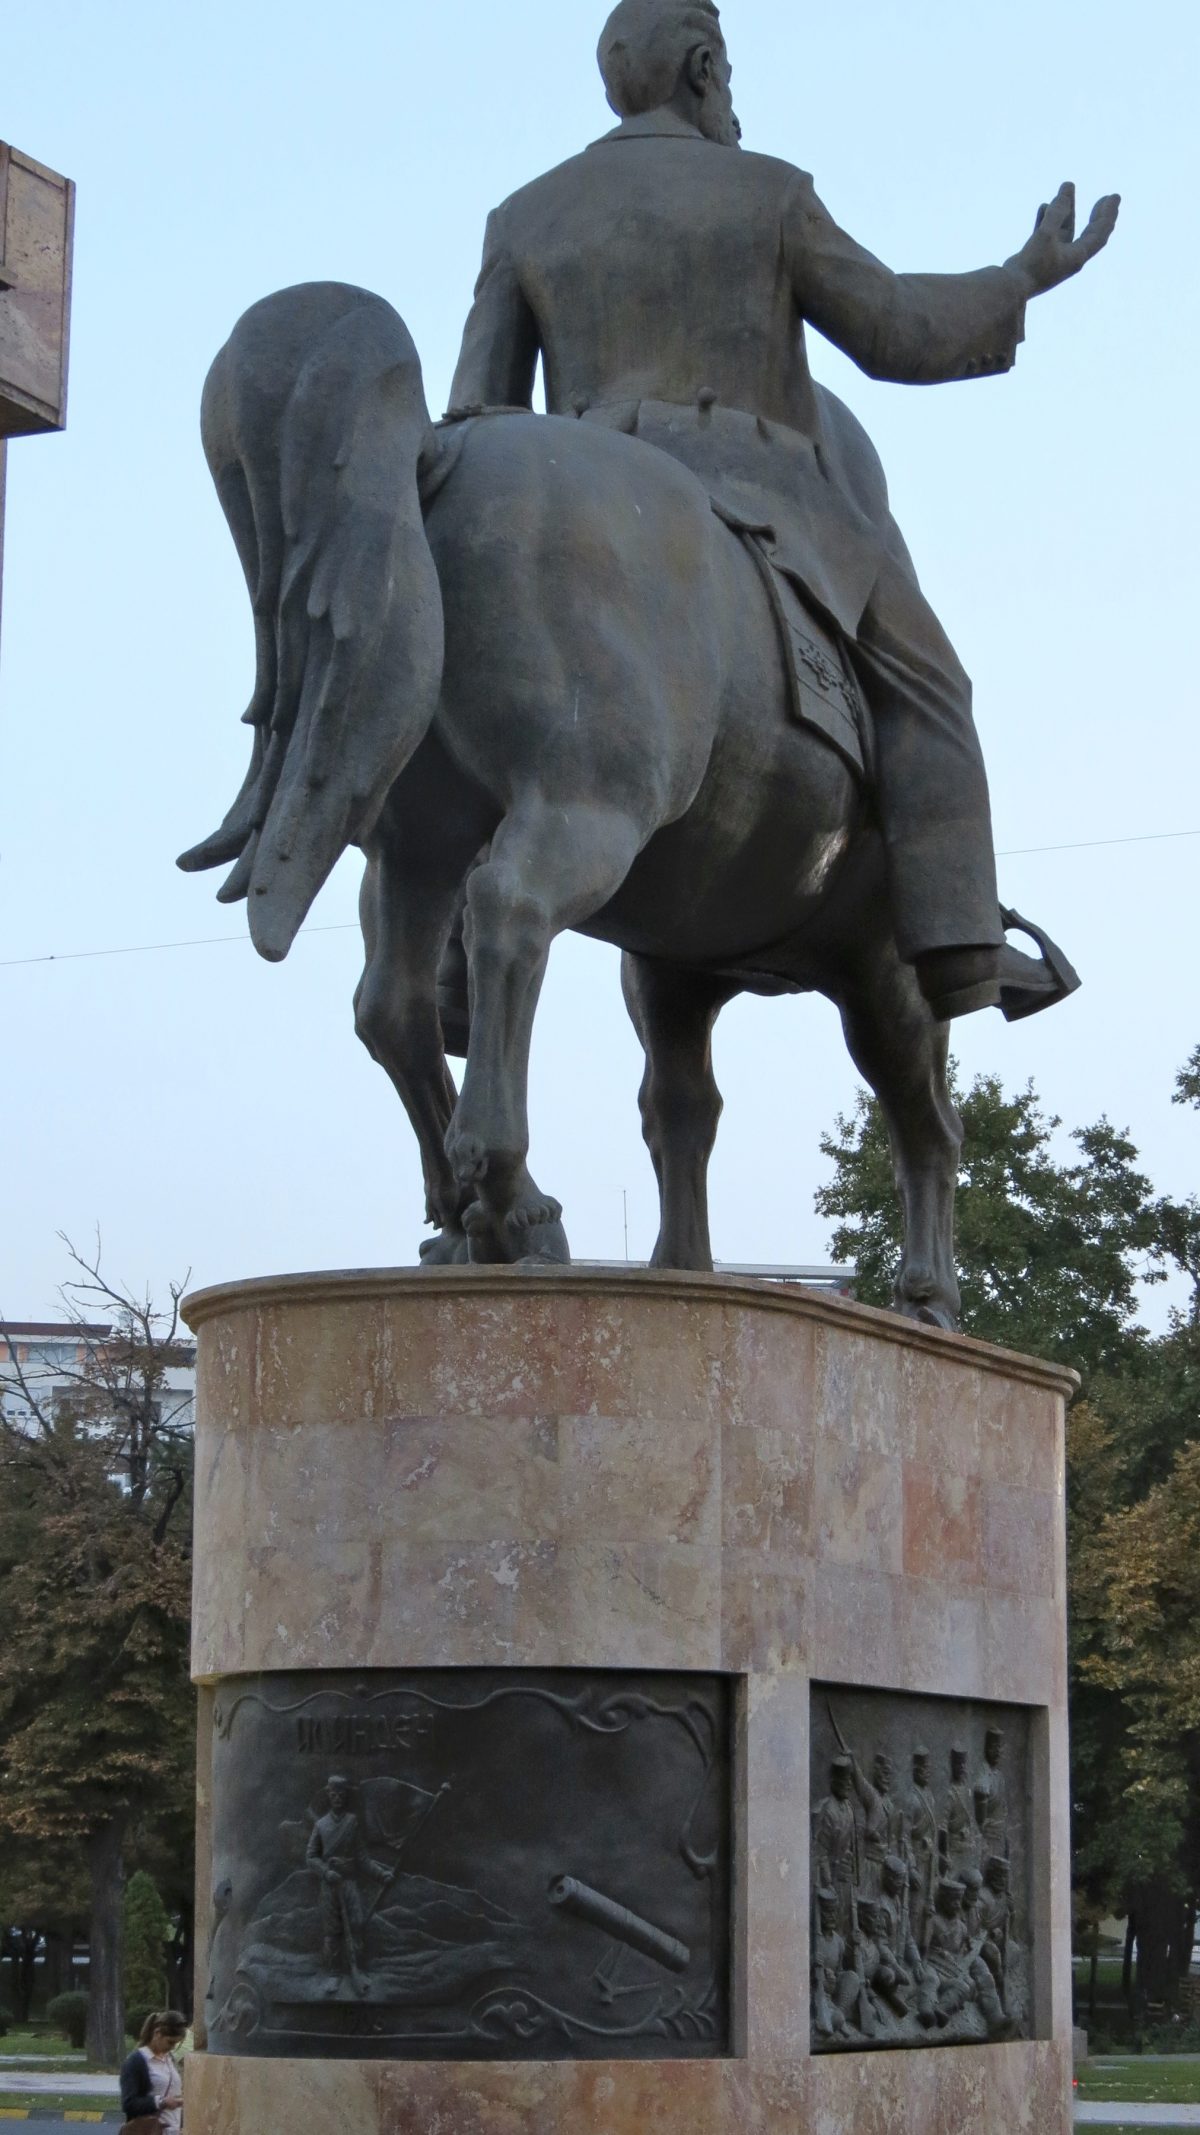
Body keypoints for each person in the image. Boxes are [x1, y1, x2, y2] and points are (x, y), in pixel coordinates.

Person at [450, 0, 1118, 1023]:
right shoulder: (767, 193)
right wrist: (1023, 273)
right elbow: (896, 331)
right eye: (729, 79)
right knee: (932, 683)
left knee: (467, 663)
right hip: (765, 495)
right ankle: (959, 940)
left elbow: (481, 419)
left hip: (579, 504)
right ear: (706, 70)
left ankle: (457, 937)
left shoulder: (523, 216)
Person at [119, 2010, 186, 2131]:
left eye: (176, 2043)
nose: (172, 2047)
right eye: (170, 2042)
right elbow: (129, 2104)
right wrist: (161, 2102)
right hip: (150, 2131)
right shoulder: (136, 2062)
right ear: (157, 2033)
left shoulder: (169, 2059)